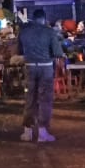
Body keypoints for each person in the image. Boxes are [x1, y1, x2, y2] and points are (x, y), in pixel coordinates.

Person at [18, 9, 65, 142]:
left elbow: (19, 51)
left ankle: (27, 132)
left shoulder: (24, 31)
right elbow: (57, 52)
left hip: (30, 67)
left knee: (30, 98)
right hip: (46, 68)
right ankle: (42, 133)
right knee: (45, 99)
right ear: (44, 19)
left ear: (33, 18)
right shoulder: (49, 32)